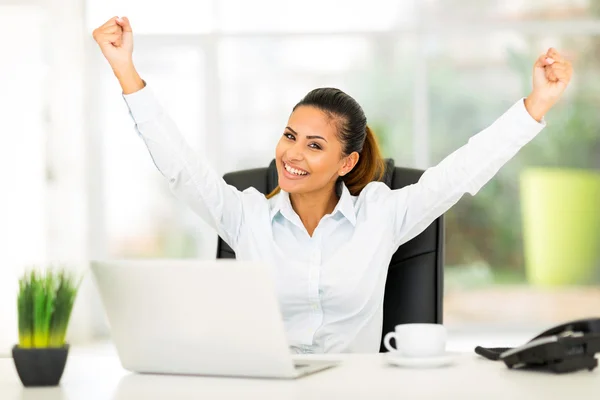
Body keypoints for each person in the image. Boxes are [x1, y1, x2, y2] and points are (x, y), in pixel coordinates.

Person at [92, 16, 573, 354]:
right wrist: (125, 71)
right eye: (288, 136)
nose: (292, 154)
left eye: (314, 146)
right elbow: (180, 167)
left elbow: (460, 173)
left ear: (347, 163)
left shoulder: (383, 215)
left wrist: (536, 103)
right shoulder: (246, 216)